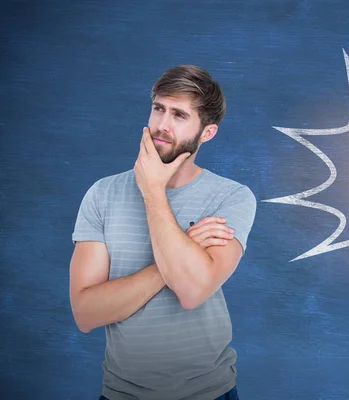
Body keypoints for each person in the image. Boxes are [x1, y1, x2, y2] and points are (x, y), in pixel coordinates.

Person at [69, 65, 257, 400]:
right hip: (119, 394)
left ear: (207, 133)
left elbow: (192, 291)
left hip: (208, 393)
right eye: (159, 109)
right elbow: (85, 313)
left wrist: (153, 191)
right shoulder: (103, 193)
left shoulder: (231, 197)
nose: (162, 125)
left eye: (179, 115)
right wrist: (179, 254)